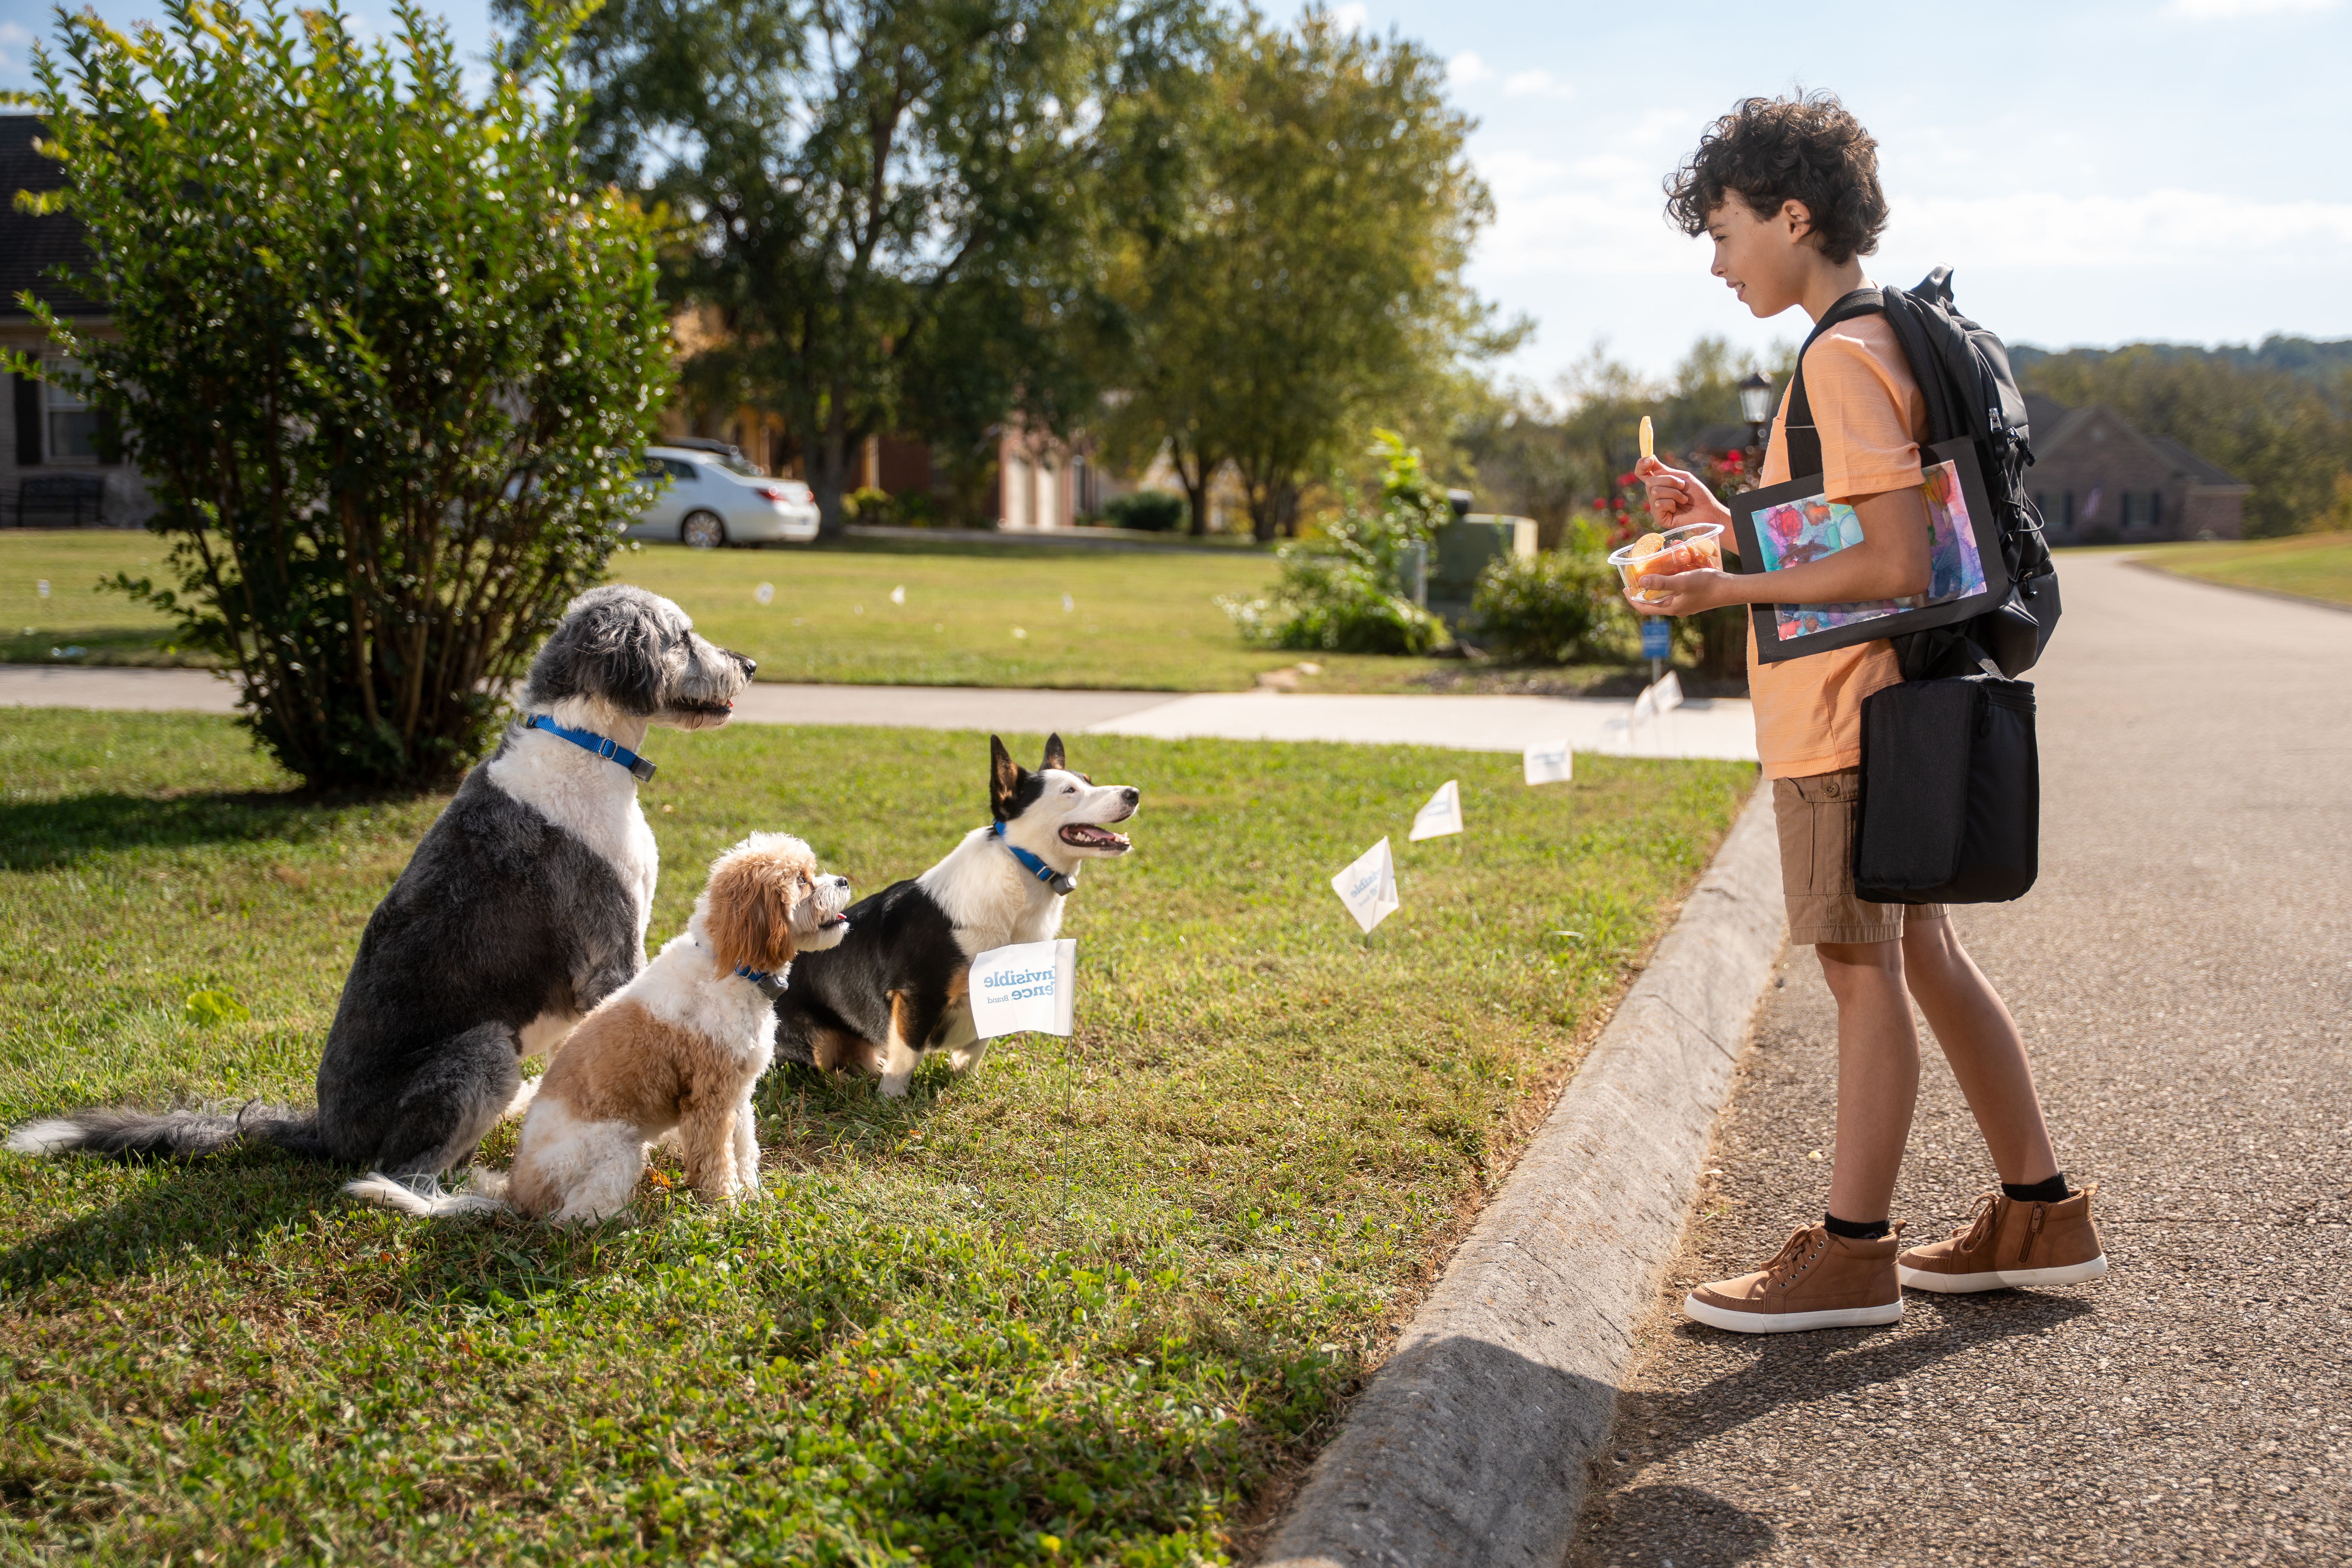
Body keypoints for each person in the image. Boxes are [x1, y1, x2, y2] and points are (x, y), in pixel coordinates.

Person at [1631, 93, 2104, 1333]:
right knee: (1927, 958)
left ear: (1795, 215)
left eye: (1726, 231)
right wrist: (1729, 517)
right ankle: (2040, 1213)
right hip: (1895, 708)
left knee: (1860, 970)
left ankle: (1851, 1255)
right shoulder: (1883, 335)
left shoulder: (1837, 355)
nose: (1718, 260)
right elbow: (1865, 527)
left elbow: (1892, 561)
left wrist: (1727, 582)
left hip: (1842, 720)